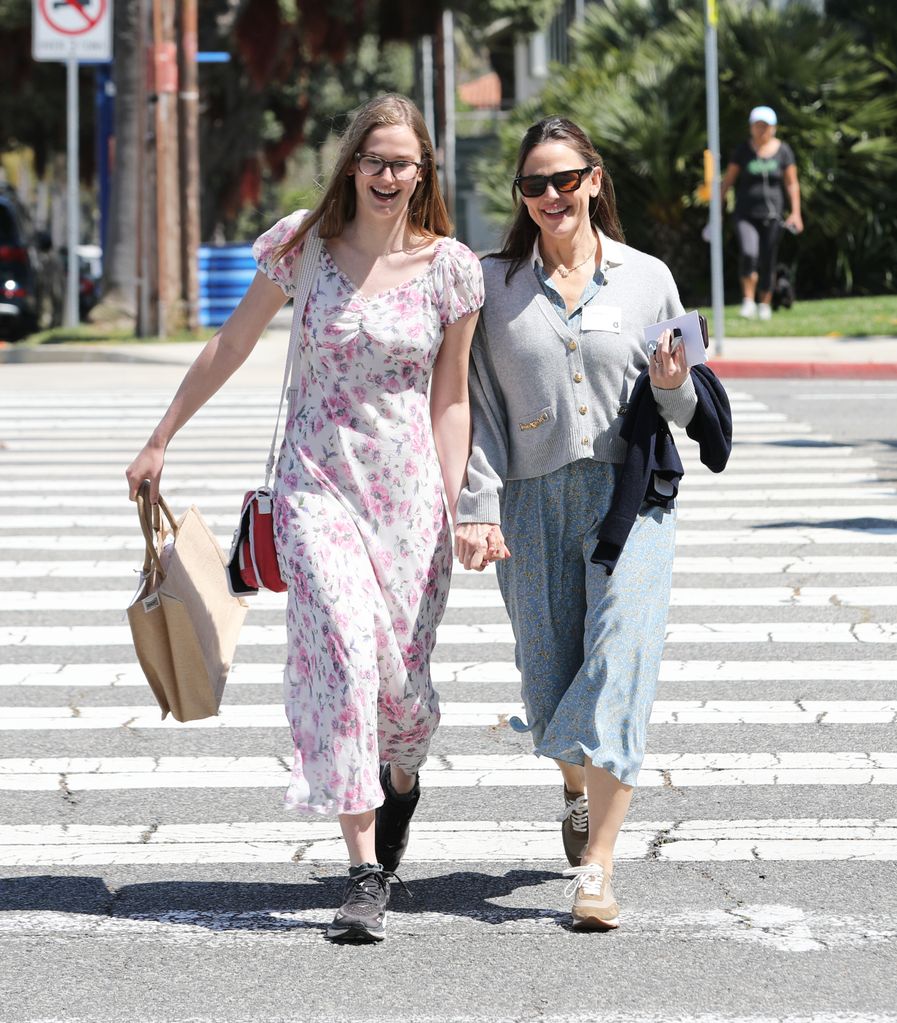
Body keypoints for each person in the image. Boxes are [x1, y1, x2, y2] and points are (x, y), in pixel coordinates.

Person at [125, 93, 484, 943]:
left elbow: (453, 396)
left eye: (404, 164)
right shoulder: (305, 249)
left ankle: (400, 777)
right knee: (345, 656)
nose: (389, 177)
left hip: (408, 504)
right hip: (314, 489)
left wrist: (455, 499)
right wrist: (160, 437)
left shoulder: (451, 269)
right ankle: (363, 870)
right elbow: (231, 342)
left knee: (403, 692)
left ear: (423, 172)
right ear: (351, 165)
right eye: (375, 160)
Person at [453, 116, 698, 932]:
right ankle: (572, 783)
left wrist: (671, 387)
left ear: (594, 178)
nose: (552, 195)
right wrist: (476, 509)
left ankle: (597, 868)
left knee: (620, 659)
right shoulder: (492, 285)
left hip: (632, 495)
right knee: (550, 680)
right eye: (535, 184)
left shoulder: (648, 277)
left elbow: (688, 400)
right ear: (520, 196)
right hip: (529, 498)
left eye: (566, 179)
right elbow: (476, 408)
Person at [720, 105, 803, 321]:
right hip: (745, 215)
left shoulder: (784, 151)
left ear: (773, 128)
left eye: (765, 126)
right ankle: (748, 301)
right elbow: (728, 181)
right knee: (749, 253)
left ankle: (764, 303)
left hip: (773, 215)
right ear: (751, 127)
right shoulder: (743, 151)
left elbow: (792, 184)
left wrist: (795, 213)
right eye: (758, 126)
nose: (761, 130)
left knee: (768, 260)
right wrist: (717, 210)